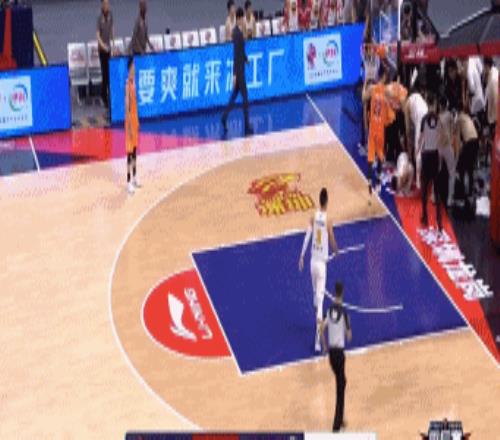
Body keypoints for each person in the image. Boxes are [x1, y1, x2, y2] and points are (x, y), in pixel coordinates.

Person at [299, 188, 338, 352]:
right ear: (327, 201)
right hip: (321, 265)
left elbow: (307, 236)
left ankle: (316, 303)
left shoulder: (313, 216)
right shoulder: (328, 220)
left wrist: (301, 255)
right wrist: (336, 250)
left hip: (312, 263)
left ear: (319, 200)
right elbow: (332, 238)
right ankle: (317, 342)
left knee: (316, 298)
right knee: (321, 306)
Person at [320, 282, 352, 432]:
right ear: (342, 293)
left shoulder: (328, 310)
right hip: (339, 354)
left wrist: (324, 346)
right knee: (340, 388)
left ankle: (341, 419)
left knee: (342, 382)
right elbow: (349, 336)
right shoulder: (344, 313)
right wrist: (347, 329)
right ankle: (336, 427)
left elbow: (321, 328)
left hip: (331, 355)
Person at [221, 7, 253, 136]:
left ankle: (224, 117)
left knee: (234, 97)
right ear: (239, 18)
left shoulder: (238, 32)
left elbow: (241, 51)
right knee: (245, 98)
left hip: (240, 68)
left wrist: (246, 59)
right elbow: (236, 54)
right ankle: (246, 127)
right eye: (243, 18)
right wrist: (235, 74)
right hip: (239, 71)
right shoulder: (237, 33)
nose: (244, 20)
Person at [363, 64, 390, 196]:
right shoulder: (386, 91)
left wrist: (365, 84)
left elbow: (363, 98)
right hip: (380, 129)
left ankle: (369, 182)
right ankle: (378, 183)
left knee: (370, 156)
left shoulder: (372, 89)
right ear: (383, 77)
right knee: (380, 155)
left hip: (373, 127)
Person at [418, 93, 443, 231]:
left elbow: (421, 138)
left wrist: (418, 150)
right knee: (437, 190)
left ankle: (425, 216)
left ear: (428, 104)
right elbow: (440, 139)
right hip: (435, 155)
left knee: (424, 187)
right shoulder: (438, 120)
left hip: (426, 155)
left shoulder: (424, 119)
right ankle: (439, 221)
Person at [404, 81, 428, 189]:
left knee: (417, 150)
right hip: (427, 113)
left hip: (421, 119)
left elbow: (407, 128)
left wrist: (409, 142)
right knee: (426, 147)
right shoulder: (419, 98)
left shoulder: (407, 103)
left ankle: (418, 180)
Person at [455, 101, 480, 198]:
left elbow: (457, 139)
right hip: (476, 141)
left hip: (469, 142)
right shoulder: (467, 116)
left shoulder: (458, 119)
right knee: (470, 168)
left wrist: (457, 155)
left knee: (461, 167)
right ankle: (470, 191)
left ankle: (462, 188)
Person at [437, 96, 456, 207]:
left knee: (437, 171)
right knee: (452, 172)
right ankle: (449, 199)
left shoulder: (437, 117)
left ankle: (434, 196)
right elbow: (453, 130)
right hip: (447, 146)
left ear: (440, 105)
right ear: (447, 104)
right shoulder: (449, 115)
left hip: (438, 147)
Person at [125, 57, 140, 194]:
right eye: (133, 67)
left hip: (135, 122)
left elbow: (135, 106)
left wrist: (137, 122)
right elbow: (128, 108)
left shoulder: (134, 83)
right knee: (129, 154)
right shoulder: (127, 86)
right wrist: (129, 127)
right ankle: (128, 181)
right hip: (129, 123)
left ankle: (135, 177)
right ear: (129, 69)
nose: (134, 69)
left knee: (135, 151)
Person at [96, 0, 114, 109]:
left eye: (108, 4)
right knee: (105, 74)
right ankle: (103, 96)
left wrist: (113, 43)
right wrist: (103, 46)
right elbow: (98, 35)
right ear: (102, 5)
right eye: (105, 4)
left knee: (109, 73)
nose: (107, 6)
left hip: (109, 48)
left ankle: (106, 95)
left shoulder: (111, 16)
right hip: (102, 50)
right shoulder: (99, 19)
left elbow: (112, 29)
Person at [484, 57, 498, 143]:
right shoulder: (494, 72)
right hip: (494, 113)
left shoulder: (493, 78)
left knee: (495, 139)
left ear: (487, 66)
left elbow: (495, 98)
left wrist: (494, 119)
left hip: (495, 115)